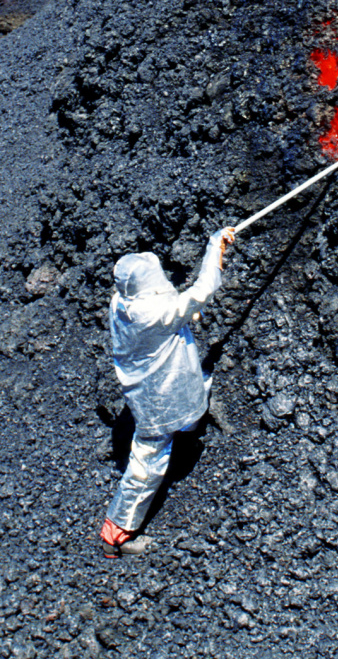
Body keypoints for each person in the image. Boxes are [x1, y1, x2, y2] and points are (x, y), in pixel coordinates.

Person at [99, 227, 236, 557]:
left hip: (151, 386)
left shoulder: (122, 302)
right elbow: (202, 290)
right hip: (157, 406)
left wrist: (183, 314)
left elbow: (171, 305)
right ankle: (115, 536)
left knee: (192, 394)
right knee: (146, 467)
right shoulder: (156, 314)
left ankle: (187, 432)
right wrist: (214, 244)